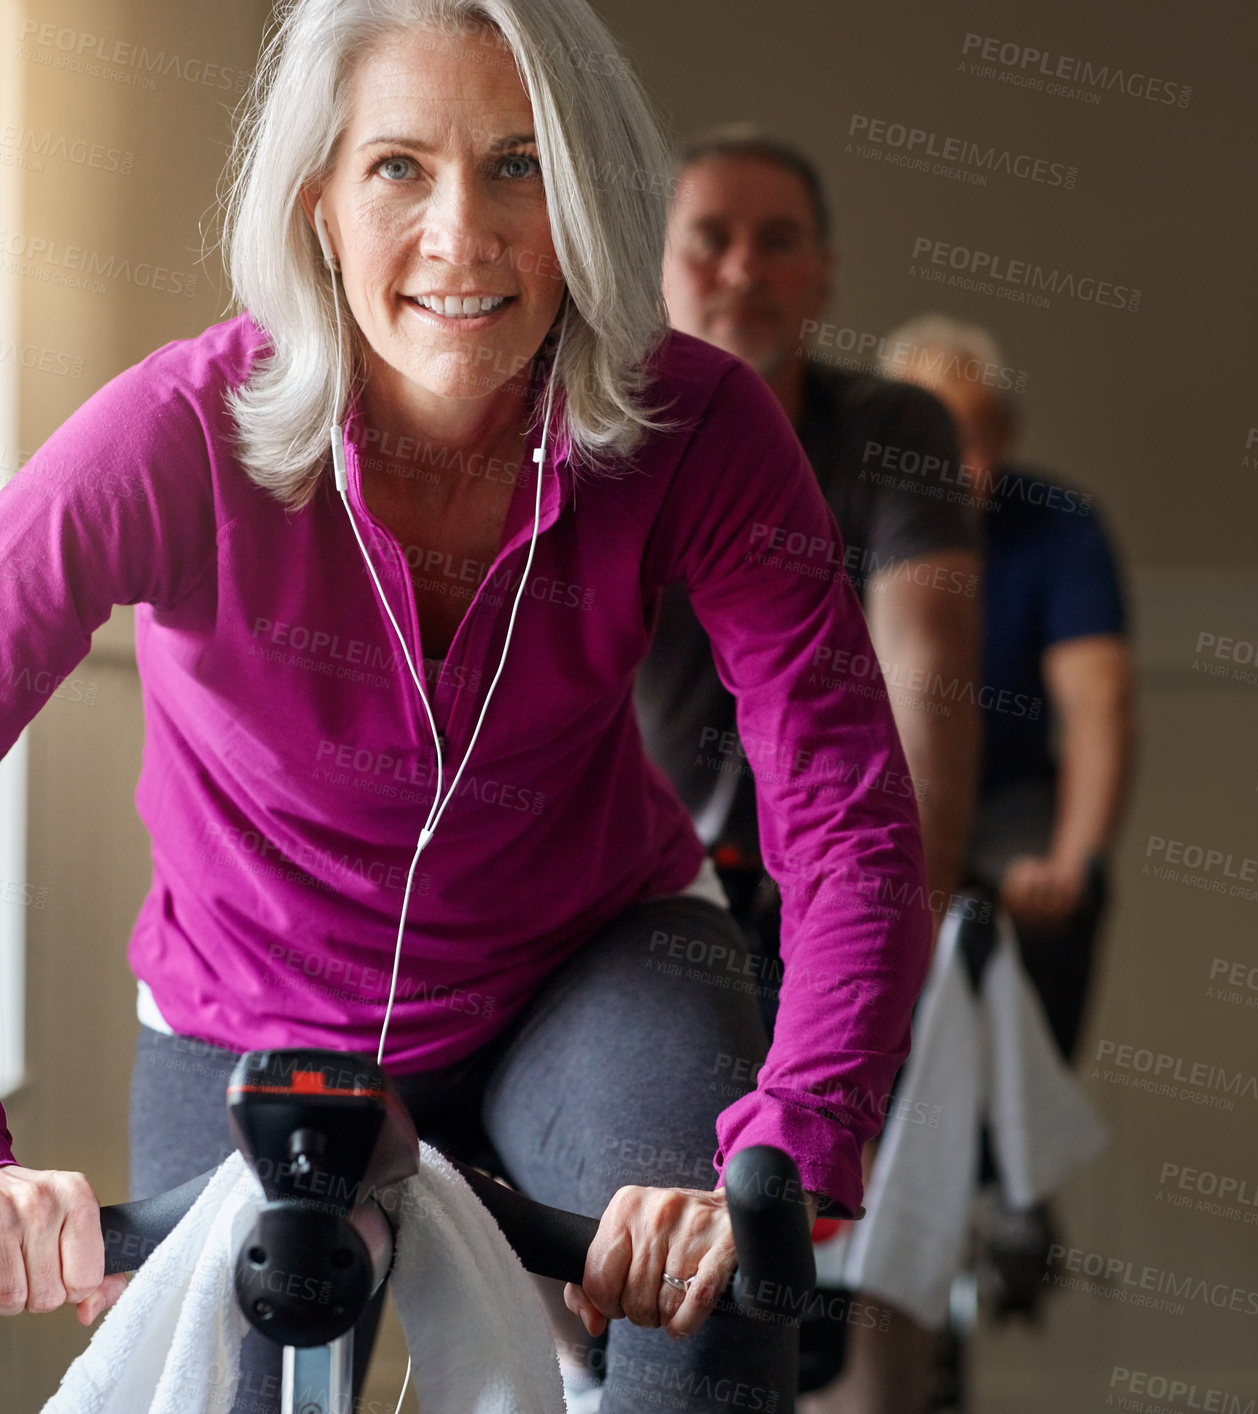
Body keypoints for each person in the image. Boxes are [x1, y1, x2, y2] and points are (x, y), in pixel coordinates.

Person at [0, 5, 937, 1412]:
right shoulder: (174, 435)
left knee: (706, 1315)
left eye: (518, 166)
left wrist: (795, 1141)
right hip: (247, 1005)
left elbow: (845, 806)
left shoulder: (700, 425)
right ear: (315, 196)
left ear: (588, 197)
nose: (463, 237)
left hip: (583, 961)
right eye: (397, 168)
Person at [633, 131, 982, 1414]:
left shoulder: (892, 428)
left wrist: (898, 941)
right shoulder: (606, 426)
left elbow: (927, 675)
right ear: (655, 268)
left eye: (777, 239)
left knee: (879, 1239)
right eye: (710, 237)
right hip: (650, 893)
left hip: (855, 866)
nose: (744, 267)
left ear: (824, 274)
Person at [882, 314, 1134, 1063]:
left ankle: (1015, 1164)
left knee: (1048, 925)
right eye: (937, 442)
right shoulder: (840, 515)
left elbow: (1101, 705)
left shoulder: (1061, 526)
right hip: (872, 791)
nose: (968, 469)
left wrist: (1071, 863)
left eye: (982, 437)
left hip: (1007, 803)